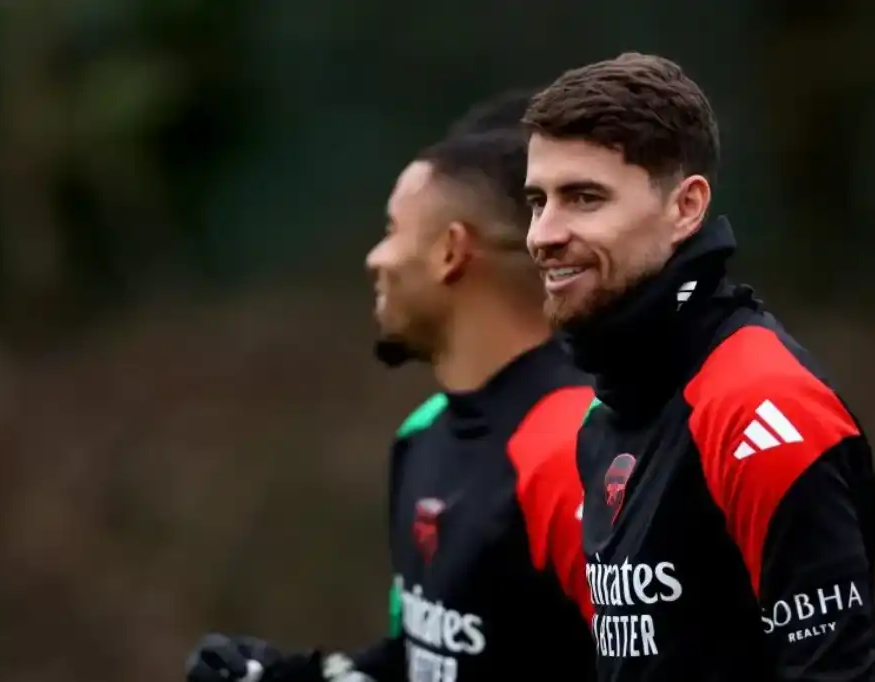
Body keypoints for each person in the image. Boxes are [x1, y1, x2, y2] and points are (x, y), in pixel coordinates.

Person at [186, 91, 596, 682]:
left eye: (392, 228)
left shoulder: (577, 448)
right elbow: (425, 662)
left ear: (450, 252)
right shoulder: (422, 433)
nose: (376, 257)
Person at [521, 53, 875, 681]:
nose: (542, 234)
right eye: (537, 201)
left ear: (686, 208)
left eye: (584, 198)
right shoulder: (611, 411)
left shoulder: (762, 411)